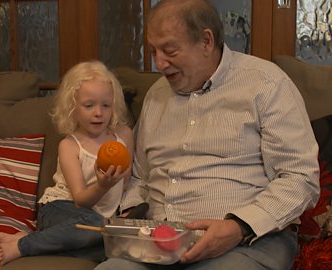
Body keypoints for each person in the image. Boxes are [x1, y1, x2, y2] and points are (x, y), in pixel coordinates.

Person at [95, 0, 320, 270]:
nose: (159, 63)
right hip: (157, 245)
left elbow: (300, 177)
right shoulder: (156, 95)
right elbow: (139, 177)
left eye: (169, 50)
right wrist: (133, 213)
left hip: (247, 243)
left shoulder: (266, 84)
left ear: (206, 41)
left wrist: (238, 226)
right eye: (154, 51)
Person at [0, 60, 133, 267]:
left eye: (106, 105)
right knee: (95, 224)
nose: (98, 113)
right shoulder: (69, 146)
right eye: (89, 105)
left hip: (96, 223)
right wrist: (103, 185)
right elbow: (81, 200)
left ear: (114, 105)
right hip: (59, 209)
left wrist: (126, 211)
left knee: (115, 246)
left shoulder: (124, 136)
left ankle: (36, 239)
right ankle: (22, 246)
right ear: (73, 107)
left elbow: (126, 184)